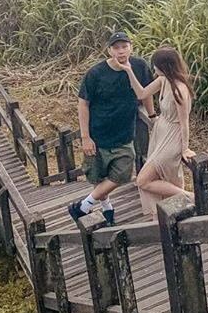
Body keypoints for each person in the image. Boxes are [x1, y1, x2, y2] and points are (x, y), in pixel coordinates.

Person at [68, 31, 153, 225]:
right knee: (98, 175)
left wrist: (152, 115)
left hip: (124, 134)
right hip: (98, 134)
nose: (121, 51)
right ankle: (108, 210)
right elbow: (83, 103)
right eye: (116, 47)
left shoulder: (139, 66)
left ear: (131, 47)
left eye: (124, 46)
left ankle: (83, 206)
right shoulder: (96, 73)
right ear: (109, 50)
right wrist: (85, 136)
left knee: (122, 173)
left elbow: (146, 92)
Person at [123, 45, 196, 217]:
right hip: (161, 132)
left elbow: (184, 122)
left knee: (143, 180)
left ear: (165, 66)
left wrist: (185, 148)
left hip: (172, 137)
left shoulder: (179, 89)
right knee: (164, 178)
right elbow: (141, 94)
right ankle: (169, 214)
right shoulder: (163, 80)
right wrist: (128, 70)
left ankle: (191, 197)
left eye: (156, 65)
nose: (154, 68)